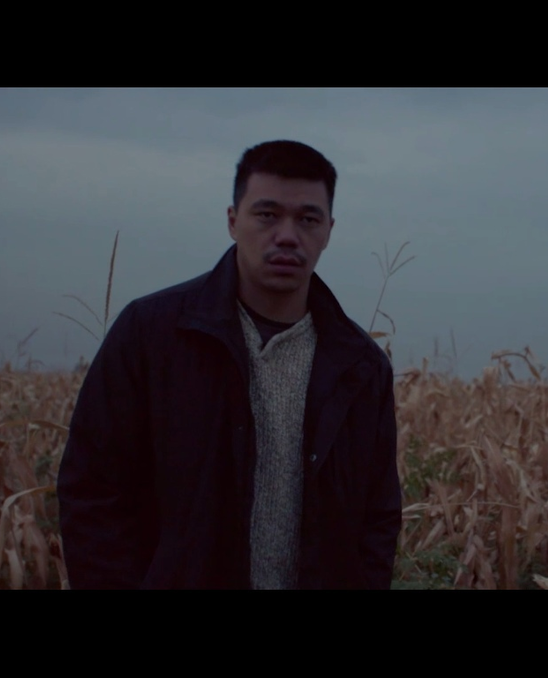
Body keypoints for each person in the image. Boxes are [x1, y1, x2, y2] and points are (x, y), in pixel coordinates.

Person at [55, 140, 402, 589]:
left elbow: (377, 518)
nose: (287, 235)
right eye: (267, 215)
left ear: (329, 231)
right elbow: (92, 491)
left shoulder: (360, 366)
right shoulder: (151, 335)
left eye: (308, 219)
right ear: (233, 221)